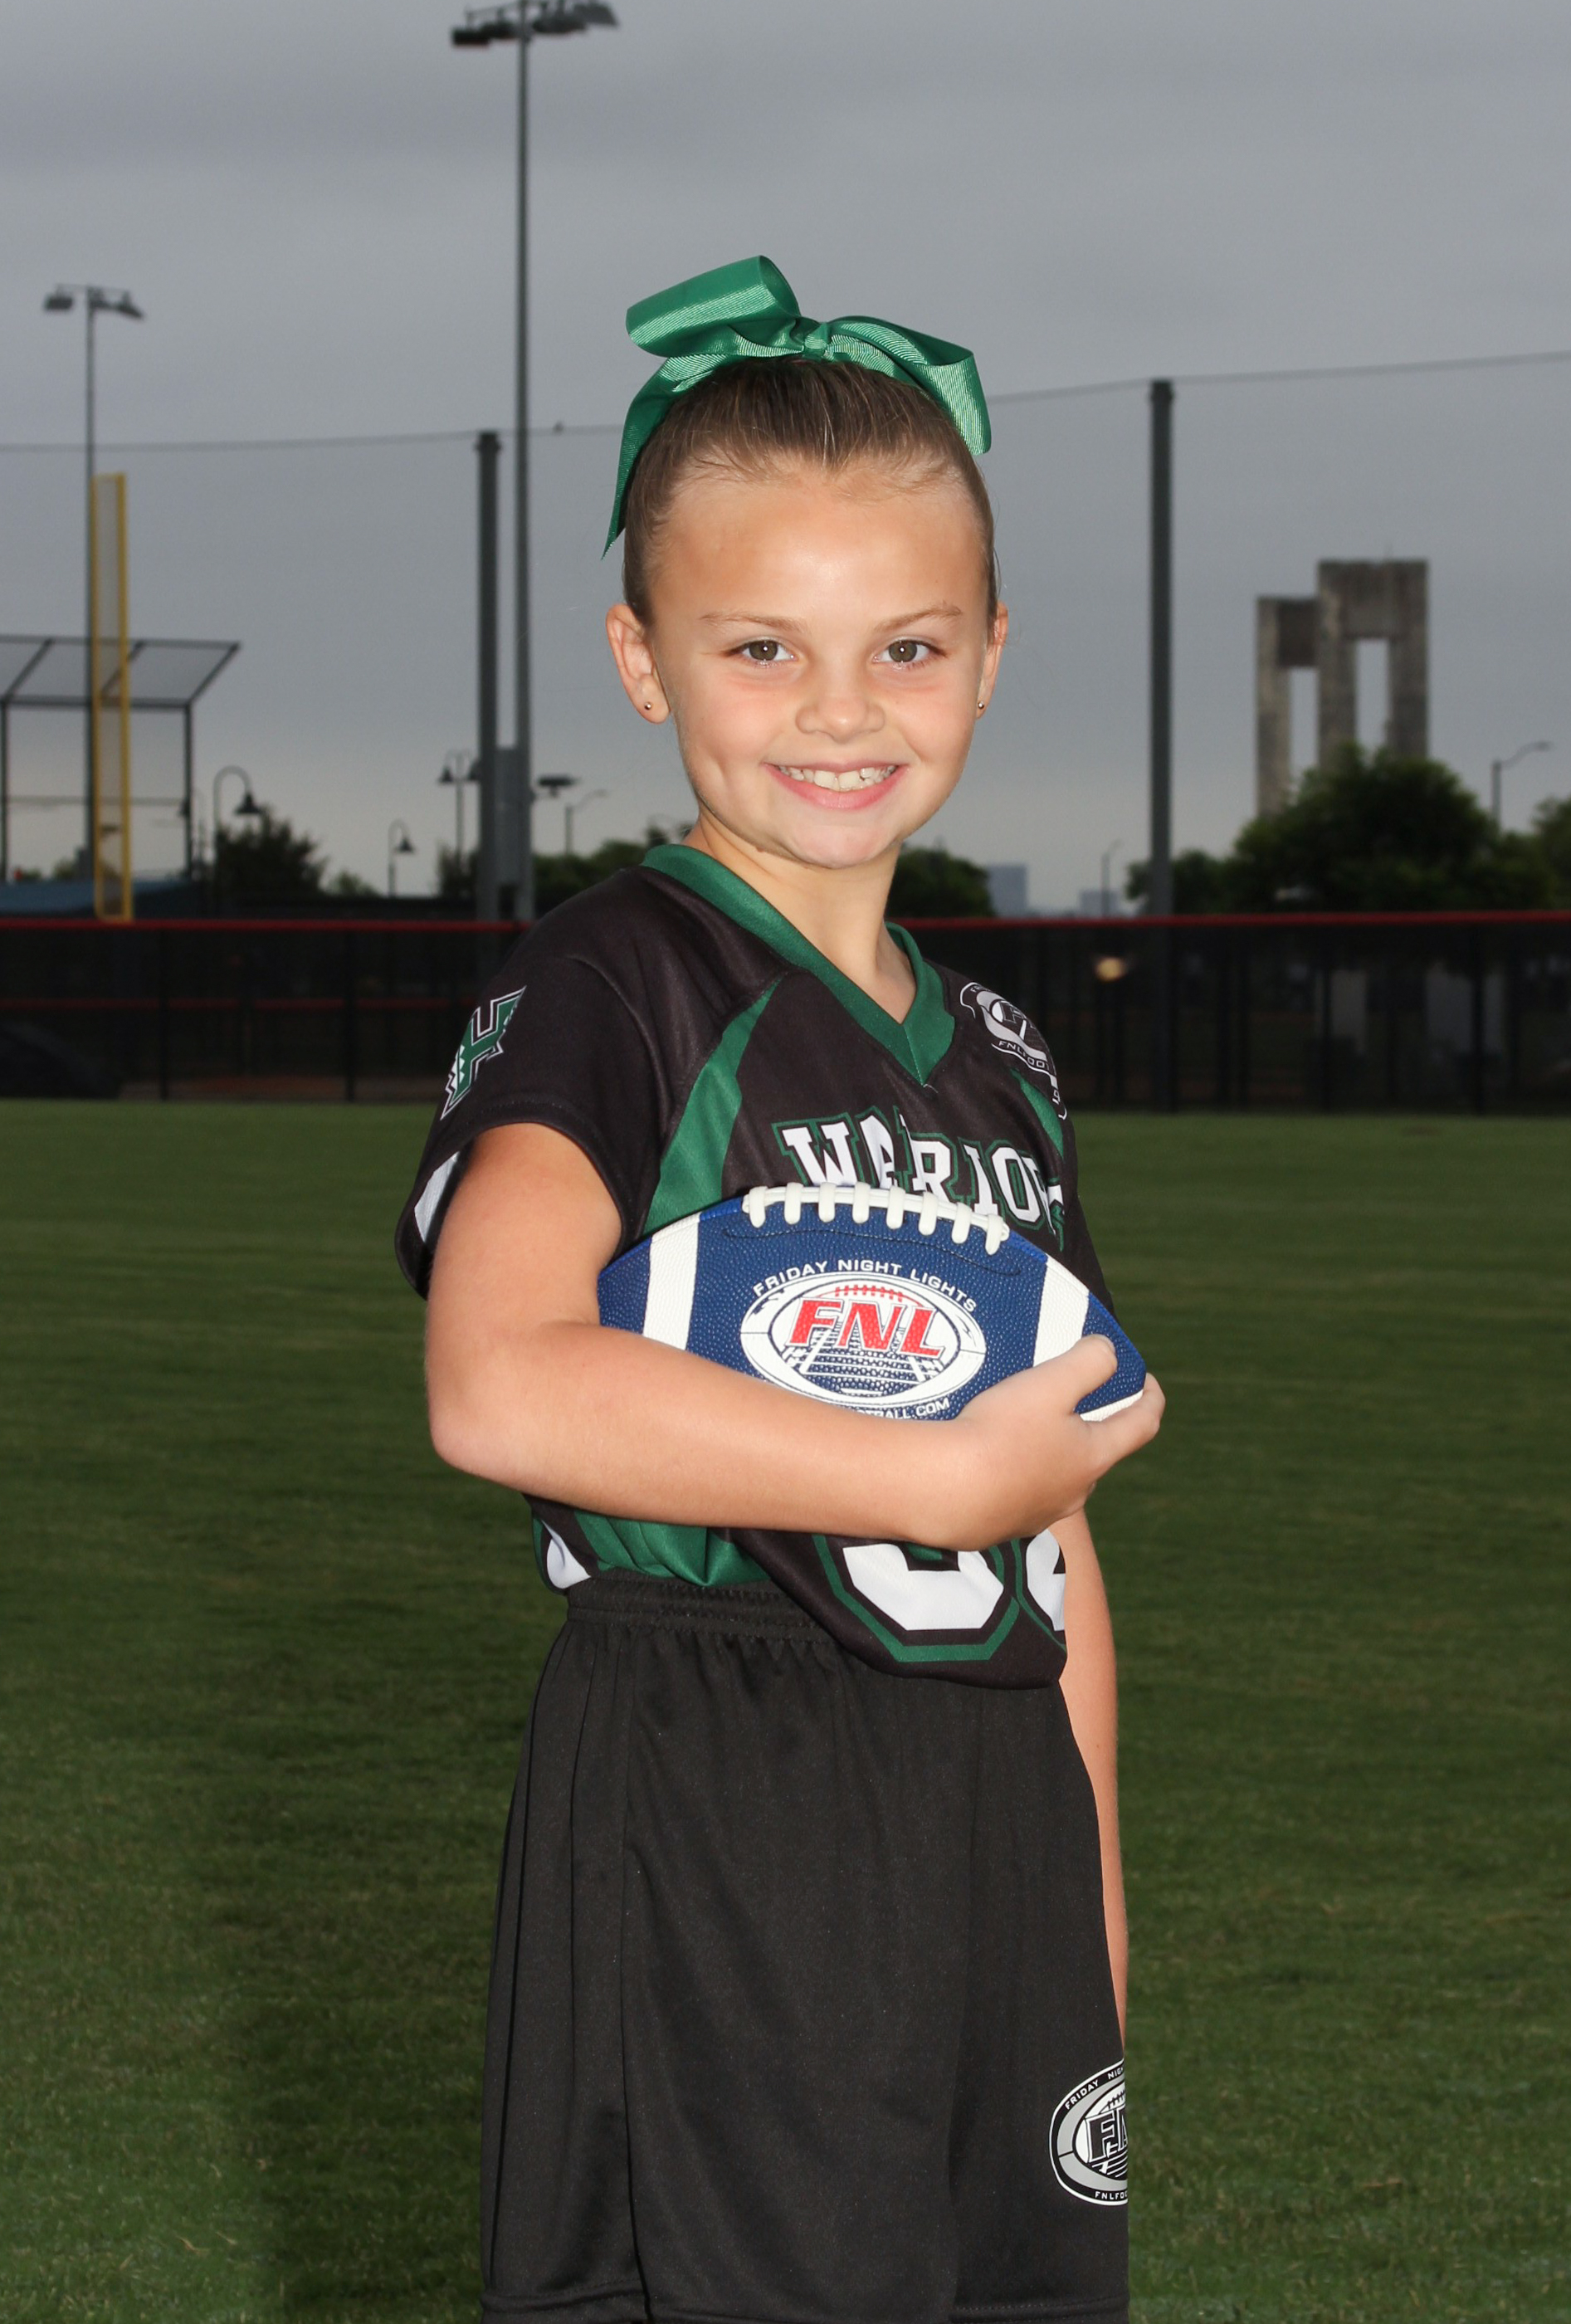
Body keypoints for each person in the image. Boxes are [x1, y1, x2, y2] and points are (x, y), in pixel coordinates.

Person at [396, 256, 1164, 2324]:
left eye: (907, 645)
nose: (841, 710)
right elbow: (496, 1378)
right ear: (642, 660)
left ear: (990, 650)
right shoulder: (620, 977)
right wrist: (923, 1481)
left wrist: (1086, 1897)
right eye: (762, 646)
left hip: (990, 1801)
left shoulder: (1000, 1053)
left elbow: (1053, 1524)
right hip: (728, 1783)